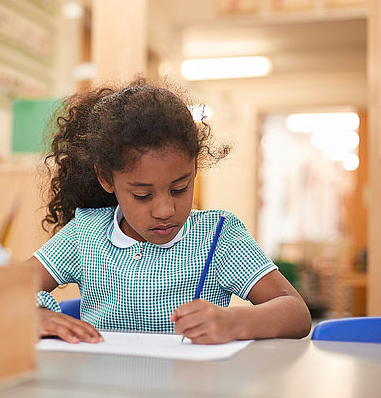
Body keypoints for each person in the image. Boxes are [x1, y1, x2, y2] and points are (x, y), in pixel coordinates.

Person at [24, 78, 311, 345]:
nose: (165, 210)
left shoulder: (219, 235)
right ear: (106, 179)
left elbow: (297, 313)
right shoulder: (85, 233)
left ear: (194, 169)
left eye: (180, 189)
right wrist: (36, 317)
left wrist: (235, 322)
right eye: (142, 195)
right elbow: (1, 290)